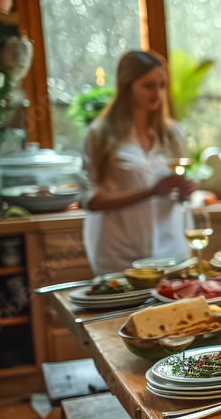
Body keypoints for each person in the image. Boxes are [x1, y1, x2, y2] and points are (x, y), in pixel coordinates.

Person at [78, 50, 196, 274]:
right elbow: (91, 201)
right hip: (119, 251)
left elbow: (177, 185)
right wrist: (151, 192)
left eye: (162, 85)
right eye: (148, 86)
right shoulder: (100, 135)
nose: (157, 93)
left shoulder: (173, 132)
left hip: (171, 248)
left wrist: (184, 190)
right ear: (126, 85)